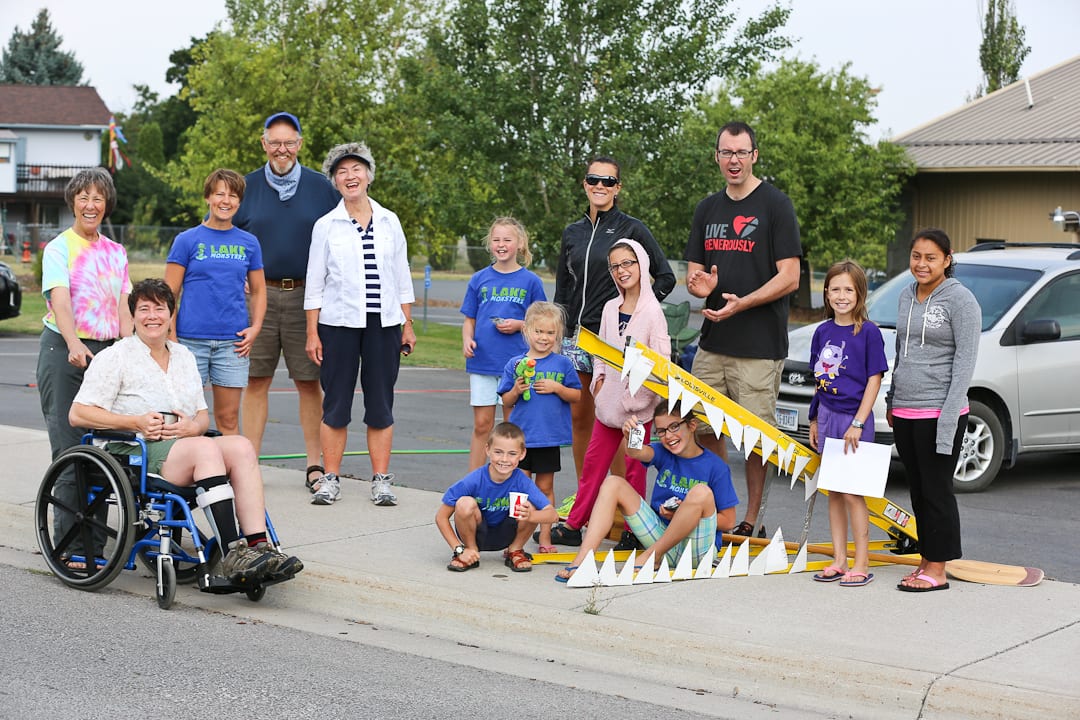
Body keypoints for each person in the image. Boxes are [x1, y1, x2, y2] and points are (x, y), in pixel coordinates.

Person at [68, 279, 302, 585]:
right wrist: (135, 422)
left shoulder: (184, 356)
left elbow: (201, 415)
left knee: (242, 446)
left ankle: (259, 547)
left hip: (183, 444)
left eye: (159, 309)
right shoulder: (115, 356)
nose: (152, 316)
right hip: (134, 449)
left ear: (171, 314)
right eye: (144, 309)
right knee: (204, 448)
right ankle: (233, 553)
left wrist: (193, 426)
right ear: (133, 316)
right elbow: (78, 414)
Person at [684, 121, 802, 538]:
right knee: (701, 427)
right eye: (726, 152)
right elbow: (694, 274)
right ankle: (724, 508)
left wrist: (743, 302)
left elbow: (790, 276)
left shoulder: (776, 205)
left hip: (759, 347)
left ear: (754, 156)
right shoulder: (707, 209)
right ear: (716, 157)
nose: (733, 160)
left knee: (755, 440)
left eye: (741, 152)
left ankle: (753, 519)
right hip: (713, 342)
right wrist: (702, 287)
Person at [304, 142, 416, 507]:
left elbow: (401, 276)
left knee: (380, 403)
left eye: (356, 169)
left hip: (384, 325)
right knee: (336, 403)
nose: (350, 177)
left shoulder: (389, 221)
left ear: (368, 175)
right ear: (334, 181)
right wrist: (312, 332)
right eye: (342, 172)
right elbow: (315, 283)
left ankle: (381, 481)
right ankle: (330, 479)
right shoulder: (326, 225)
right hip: (338, 325)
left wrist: (407, 323)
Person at [233, 112, 339, 489]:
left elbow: (339, 241)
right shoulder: (244, 187)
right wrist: (237, 277)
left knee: (308, 382)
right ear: (264, 144)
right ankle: (249, 465)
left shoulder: (322, 188)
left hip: (306, 299)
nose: (282, 149)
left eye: (289, 142)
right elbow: (225, 234)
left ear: (300, 144)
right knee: (256, 380)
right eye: (275, 142)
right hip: (257, 299)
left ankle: (314, 465)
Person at [555, 156, 675, 481]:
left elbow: (665, 277)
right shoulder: (572, 233)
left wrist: (636, 314)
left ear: (617, 188)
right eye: (593, 179)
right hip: (577, 339)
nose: (600, 186)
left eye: (608, 181)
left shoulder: (631, 228)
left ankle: (622, 498)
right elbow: (562, 290)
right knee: (582, 420)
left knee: (622, 422)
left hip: (616, 343)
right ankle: (587, 493)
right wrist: (559, 334)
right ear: (584, 184)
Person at [36, 168, 133, 563]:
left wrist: (131, 348)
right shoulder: (59, 248)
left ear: (106, 204)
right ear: (73, 202)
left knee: (104, 452)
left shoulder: (116, 252)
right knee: (71, 448)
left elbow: (124, 306)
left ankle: (95, 543)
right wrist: (74, 342)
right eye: (84, 197)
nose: (91, 205)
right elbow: (60, 300)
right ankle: (71, 547)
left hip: (105, 354)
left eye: (98, 198)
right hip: (65, 350)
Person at [549, 239, 671, 550]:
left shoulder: (652, 313)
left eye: (627, 263)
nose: (621, 271)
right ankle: (575, 524)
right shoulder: (609, 308)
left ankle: (635, 531)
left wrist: (640, 400)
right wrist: (599, 384)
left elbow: (661, 364)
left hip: (637, 415)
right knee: (593, 466)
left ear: (641, 264)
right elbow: (600, 354)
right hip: (607, 409)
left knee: (633, 470)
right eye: (615, 266)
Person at [886, 229, 980, 592]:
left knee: (937, 490)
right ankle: (926, 560)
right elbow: (901, 351)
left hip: (940, 411)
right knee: (919, 491)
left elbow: (965, 362)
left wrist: (949, 416)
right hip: (906, 410)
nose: (921, 264)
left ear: (947, 259)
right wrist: (892, 399)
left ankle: (938, 569)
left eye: (930, 258)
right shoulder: (906, 295)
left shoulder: (962, 300)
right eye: (916, 256)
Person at [555, 402, 738, 583]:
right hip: (662, 541)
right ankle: (582, 561)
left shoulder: (716, 466)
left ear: (692, 425)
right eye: (662, 431)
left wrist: (683, 514)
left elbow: (728, 521)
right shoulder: (664, 452)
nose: (668, 436)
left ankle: (652, 556)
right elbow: (636, 453)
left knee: (701, 492)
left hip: (696, 550)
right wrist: (630, 436)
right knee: (613, 483)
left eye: (674, 427)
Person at [165, 168, 267, 435]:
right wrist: (172, 339)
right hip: (189, 342)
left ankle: (228, 463)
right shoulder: (187, 240)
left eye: (232, 195)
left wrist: (255, 327)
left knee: (228, 418)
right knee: (185, 417)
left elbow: (258, 290)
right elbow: (168, 295)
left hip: (232, 344)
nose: (226, 201)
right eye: (220, 194)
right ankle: (187, 463)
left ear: (239, 202)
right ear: (208, 197)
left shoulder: (249, 243)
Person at [807, 260, 888, 587]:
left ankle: (861, 562)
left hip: (854, 419)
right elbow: (819, 380)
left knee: (854, 493)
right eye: (836, 289)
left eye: (848, 290)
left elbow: (874, 380)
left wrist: (858, 422)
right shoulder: (822, 332)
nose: (842, 296)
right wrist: (814, 417)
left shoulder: (868, 332)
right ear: (826, 293)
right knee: (835, 491)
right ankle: (839, 560)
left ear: (860, 294)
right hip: (827, 415)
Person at [460, 217, 547, 470]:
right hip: (483, 363)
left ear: (519, 244)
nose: (501, 244)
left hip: (517, 366)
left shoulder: (531, 281)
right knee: (482, 425)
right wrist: (467, 339)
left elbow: (541, 323)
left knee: (512, 429)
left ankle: (512, 482)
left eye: (507, 240)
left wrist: (519, 325)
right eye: (496, 240)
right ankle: (475, 482)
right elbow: (469, 319)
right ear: (490, 244)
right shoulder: (479, 279)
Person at [498, 301, 581, 552]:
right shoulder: (515, 364)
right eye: (539, 331)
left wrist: (557, 388)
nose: (544, 337)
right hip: (522, 440)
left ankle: (545, 537)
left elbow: (576, 395)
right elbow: (506, 400)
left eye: (550, 333)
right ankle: (516, 540)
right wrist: (516, 389)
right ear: (527, 331)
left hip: (548, 438)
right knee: (520, 492)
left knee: (545, 489)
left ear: (558, 334)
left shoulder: (562, 364)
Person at [436, 422, 558, 573]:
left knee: (529, 505)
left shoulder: (522, 481)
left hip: (507, 534)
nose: (504, 459)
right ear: (487, 450)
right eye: (498, 452)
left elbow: (553, 515)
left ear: (522, 454)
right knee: (464, 503)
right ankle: (470, 551)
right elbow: (441, 517)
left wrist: (531, 515)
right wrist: (458, 548)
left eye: (512, 454)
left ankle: (515, 550)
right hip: (476, 533)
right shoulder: (474, 479)